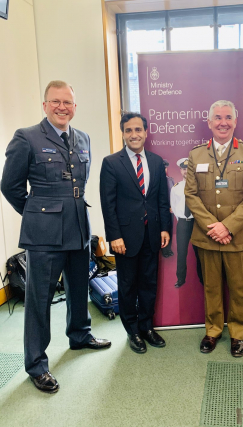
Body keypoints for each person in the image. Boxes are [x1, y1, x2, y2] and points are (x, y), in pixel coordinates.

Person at [1, 80, 111, 394]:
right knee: (39, 300)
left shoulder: (83, 137)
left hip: (78, 227)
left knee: (79, 287)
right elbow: (10, 186)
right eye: (56, 102)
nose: (62, 107)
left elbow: (81, 182)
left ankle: (80, 335)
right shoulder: (27, 138)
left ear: (74, 107)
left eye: (68, 102)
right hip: (44, 235)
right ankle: (36, 364)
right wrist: (38, 214)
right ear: (45, 105)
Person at [185, 100, 243, 357]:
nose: (223, 122)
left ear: (235, 121)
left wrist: (227, 227)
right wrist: (213, 227)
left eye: (228, 117)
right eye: (217, 117)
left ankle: (238, 333)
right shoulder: (196, 155)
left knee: (239, 287)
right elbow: (191, 195)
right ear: (209, 122)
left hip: (238, 235)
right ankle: (214, 329)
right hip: (208, 236)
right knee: (212, 286)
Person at [100, 112, 170, 354]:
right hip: (125, 239)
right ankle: (132, 331)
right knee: (128, 286)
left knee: (149, 284)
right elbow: (107, 205)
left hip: (152, 235)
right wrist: (114, 236)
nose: (134, 134)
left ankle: (147, 327)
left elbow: (162, 200)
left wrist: (164, 228)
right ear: (123, 134)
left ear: (146, 132)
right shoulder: (111, 163)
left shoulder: (156, 161)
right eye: (128, 130)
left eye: (138, 130)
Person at [170, 158, 203, 288]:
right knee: (181, 252)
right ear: (180, 170)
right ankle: (181, 279)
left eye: (189, 169)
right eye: (184, 169)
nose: (186, 171)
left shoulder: (200, 187)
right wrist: (182, 220)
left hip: (197, 223)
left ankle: (202, 278)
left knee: (199, 252)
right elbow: (174, 206)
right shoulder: (176, 188)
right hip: (183, 223)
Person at [161, 159, 174, 258]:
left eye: (165, 167)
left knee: (169, 229)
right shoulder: (154, 180)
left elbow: (173, 195)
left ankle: (167, 250)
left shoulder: (170, 180)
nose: (164, 169)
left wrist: (172, 206)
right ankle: (162, 250)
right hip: (160, 209)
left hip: (170, 209)